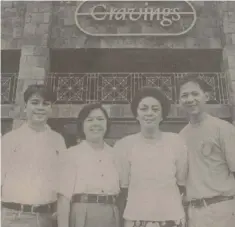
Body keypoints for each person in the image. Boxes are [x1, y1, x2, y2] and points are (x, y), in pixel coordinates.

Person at [114, 87, 188, 227]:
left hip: (172, 217)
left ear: (162, 115)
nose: (149, 113)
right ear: (136, 114)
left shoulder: (176, 142)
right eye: (144, 109)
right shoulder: (124, 145)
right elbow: (124, 185)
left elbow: (181, 180)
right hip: (136, 218)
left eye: (155, 109)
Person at [1, 84, 66, 227]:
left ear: (51, 109)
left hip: (47, 218)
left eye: (46, 104)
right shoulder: (9, 139)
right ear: (25, 107)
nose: (40, 108)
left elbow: (62, 181)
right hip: (14, 216)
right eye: (35, 103)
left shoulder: (58, 140)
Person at [178, 76, 235, 227]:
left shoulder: (223, 129)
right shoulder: (180, 136)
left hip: (223, 208)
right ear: (179, 101)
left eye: (195, 94)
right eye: (184, 95)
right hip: (194, 212)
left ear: (207, 96)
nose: (190, 99)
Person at [57, 103, 120, 227]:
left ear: (107, 124)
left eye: (100, 119)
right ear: (82, 125)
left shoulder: (115, 154)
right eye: (90, 120)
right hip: (82, 213)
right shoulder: (71, 154)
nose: (95, 124)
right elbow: (63, 199)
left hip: (111, 214)